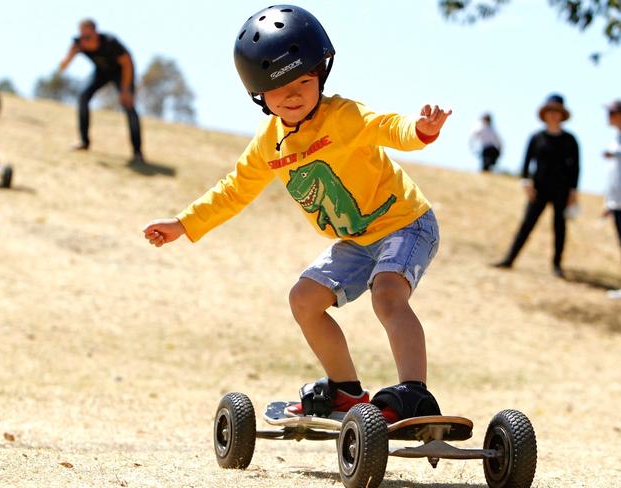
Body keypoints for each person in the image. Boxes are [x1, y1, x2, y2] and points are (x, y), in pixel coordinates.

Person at [142, 5, 452, 423]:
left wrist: (420, 131)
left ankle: (414, 394)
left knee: (387, 294)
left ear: (320, 77)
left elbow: (386, 126)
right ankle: (346, 392)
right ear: (258, 94)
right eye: (279, 87)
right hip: (358, 241)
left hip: (406, 222)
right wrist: (183, 224)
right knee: (304, 299)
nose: (293, 94)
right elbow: (233, 190)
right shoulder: (269, 145)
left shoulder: (342, 116)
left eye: (304, 81)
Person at [494, 94, 579, 278]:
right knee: (526, 225)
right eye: (551, 111)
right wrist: (526, 182)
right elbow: (526, 163)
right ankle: (509, 259)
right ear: (545, 114)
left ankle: (557, 265)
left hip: (561, 191)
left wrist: (573, 191)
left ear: (562, 115)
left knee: (559, 227)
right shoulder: (536, 137)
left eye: (557, 112)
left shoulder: (570, 140)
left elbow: (576, 167)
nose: (554, 115)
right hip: (539, 189)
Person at [58, 18, 143, 162]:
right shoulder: (78, 44)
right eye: (82, 36)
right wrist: (70, 55)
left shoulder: (110, 42)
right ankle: (84, 142)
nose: (84, 40)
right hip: (101, 72)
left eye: (88, 36)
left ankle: (137, 152)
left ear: (95, 33)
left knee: (129, 106)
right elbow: (62, 67)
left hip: (121, 72)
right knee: (83, 97)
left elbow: (128, 63)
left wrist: (125, 89)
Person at [602, 100, 621, 299]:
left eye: (611, 112)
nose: (608, 116)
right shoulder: (616, 137)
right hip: (617, 201)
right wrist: (609, 202)